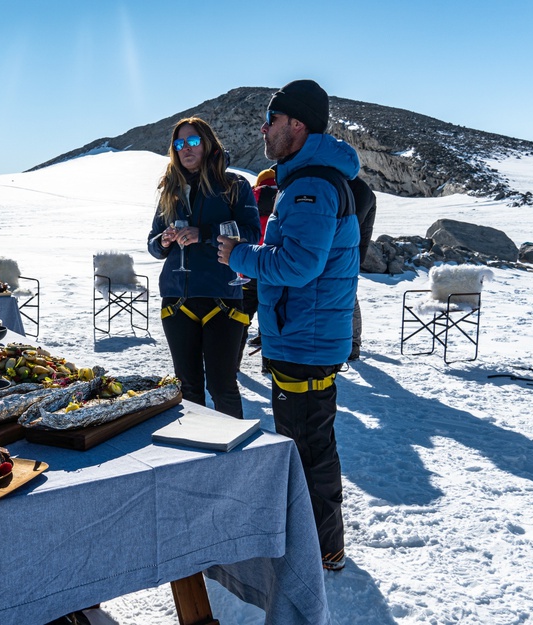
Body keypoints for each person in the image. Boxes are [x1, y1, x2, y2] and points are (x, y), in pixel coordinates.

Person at [217, 80, 360, 570]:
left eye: (272, 120)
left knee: (305, 447)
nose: (265, 128)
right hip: (304, 334)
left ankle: (317, 550)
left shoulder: (313, 186)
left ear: (297, 125)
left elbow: (299, 265)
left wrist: (241, 255)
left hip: (305, 338)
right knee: (309, 441)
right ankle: (320, 544)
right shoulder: (307, 179)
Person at [147, 117, 260, 418]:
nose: (186, 149)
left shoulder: (234, 185)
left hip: (222, 297)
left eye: (193, 141)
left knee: (222, 386)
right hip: (177, 300)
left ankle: (234, 460)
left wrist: (206, 234)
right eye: (179, 143)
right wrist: (165, 240)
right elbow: (152, 245)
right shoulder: (170, 191)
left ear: (207, 143)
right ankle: (195, 458)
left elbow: (251, 233)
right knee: (188, 387)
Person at [237, 168, 277, 371]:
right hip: (271, 270)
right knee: (269, 319)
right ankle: (268, 365)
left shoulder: (250, 197)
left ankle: (232, 362)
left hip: (249, 267)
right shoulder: (282, 198)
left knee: (242, 318)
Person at [349, 177, 377, 360]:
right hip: (352, 252)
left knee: (348, 298)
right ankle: (351, 343)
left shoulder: (355, 188)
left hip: (346, 254)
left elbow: (349, 224)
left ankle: (352, 343)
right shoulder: (360, 188)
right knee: (348, 297)